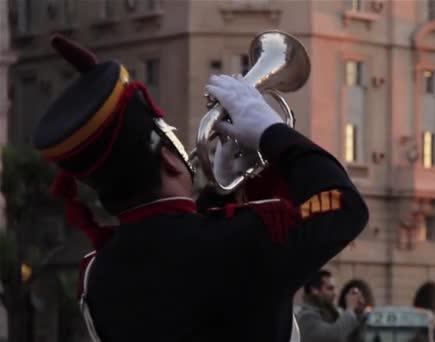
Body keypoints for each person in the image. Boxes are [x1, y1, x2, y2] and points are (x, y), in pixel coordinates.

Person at [33, 34, 368, 342]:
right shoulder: (243, 239)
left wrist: (220, 192)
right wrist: (271, 132)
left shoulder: (96, 277)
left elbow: (179, 249)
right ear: (169, 159)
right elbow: (344, 206)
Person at [297, 270, 367, 342]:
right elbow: (333, 336)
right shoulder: (306, 317)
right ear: (314, 290)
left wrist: (358, 313)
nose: (335, 293)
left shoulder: (331, 313)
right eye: (330, 288)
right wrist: (350, 309)